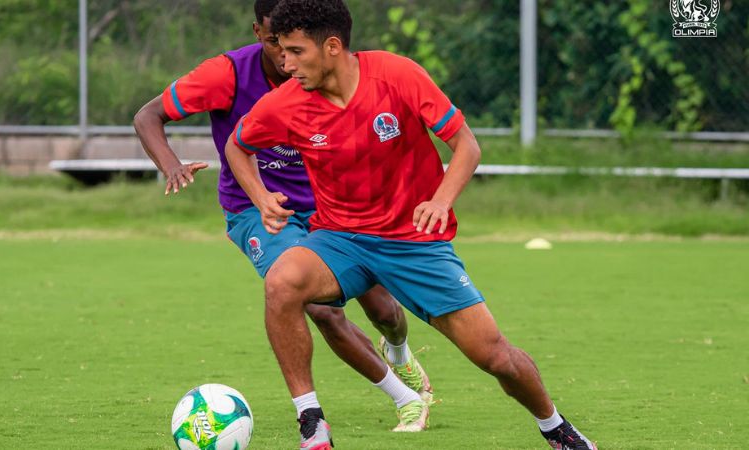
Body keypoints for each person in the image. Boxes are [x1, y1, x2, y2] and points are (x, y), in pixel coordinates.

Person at [224, 0, 598, 449]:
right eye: (281, 51)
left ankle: (556, 428)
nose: (285, 64)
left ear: (333, 46)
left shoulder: (397, 76)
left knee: (495, 356)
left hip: (413, 242)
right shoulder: (285, 103)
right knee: (282, 283)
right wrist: (260, 197)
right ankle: (311, 421)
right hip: (340, 239)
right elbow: (236, 145)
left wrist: (441, 201)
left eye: (296, 52)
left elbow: (466, 145)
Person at [132, 0, 433, 437]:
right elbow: (147, 115)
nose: (284, 53)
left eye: (293, 43)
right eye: (274, 40)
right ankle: (404, 402)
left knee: (385, 309)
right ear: (258, 32)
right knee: (318, 307)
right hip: (257, 213)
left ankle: (400, 353)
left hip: (333, 209)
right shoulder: (226, 74)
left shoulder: (326, 72)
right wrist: (171, 164)